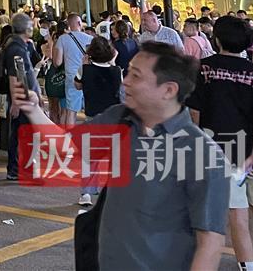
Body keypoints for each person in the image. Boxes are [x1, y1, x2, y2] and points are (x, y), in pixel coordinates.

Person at [12, 41, 230, 270]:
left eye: (136, 76)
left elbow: (210, 243)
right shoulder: (120, 119)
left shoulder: (202, 155)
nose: (126, 81)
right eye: (128, 72)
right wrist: (33, 110)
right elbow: (67, 147)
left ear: (168, 90)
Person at [189, 16, 253, 271]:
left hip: (222, 150)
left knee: (237, 213)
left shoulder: (203, 69)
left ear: (216, 40)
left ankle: (247, 268)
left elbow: (194, 113)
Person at [73, 35, 122, 207]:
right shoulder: (116, 71)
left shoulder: (85, 69)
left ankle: (87, 193)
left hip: (92, 116)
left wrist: (85, 64)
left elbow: (77, 85)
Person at [2, 12, 41, 181]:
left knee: (21, 134)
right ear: (26, 28)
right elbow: (15, 75)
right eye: (31, 25)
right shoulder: (16, 49)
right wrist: (17, 102)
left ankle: (18, 168)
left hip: (24, 97)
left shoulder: (17, 45)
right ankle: (19, 169)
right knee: (24, 134)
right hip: (23, 99)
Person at [52, 13, 93, 127]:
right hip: (89, 75)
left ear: (68, 25)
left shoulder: (62, 39)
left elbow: (57, 62)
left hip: (72, 77)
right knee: (90, 112)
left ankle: (70, 136)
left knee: (71, 112)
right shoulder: (90, 39)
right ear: (79, 23)